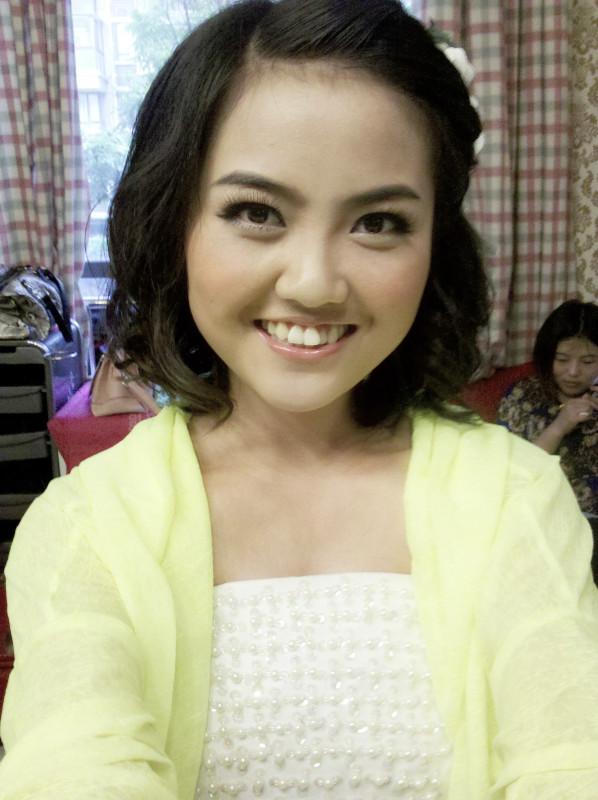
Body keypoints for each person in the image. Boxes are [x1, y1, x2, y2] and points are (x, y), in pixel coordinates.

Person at [1, 1, 597, 798]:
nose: (314, 283)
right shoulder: (88, 526)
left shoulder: (516, 497)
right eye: (256, 213)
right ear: (175, 223)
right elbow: (71, 765)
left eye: (379, 222)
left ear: (435, 246)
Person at [497, 299, 598, 576]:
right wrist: (559, 426)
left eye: (588, 362)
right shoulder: (523, 396)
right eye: (562, 360)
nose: (573, 372)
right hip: (540, 520)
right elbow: (513, 474)